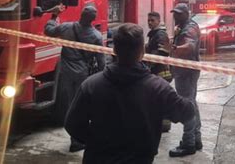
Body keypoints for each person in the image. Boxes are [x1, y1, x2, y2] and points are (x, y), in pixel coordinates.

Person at [64, 23, 195, 164]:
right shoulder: (159, 88)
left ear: (114, 50)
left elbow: (72, 124)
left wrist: (97, 142)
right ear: (142, 51)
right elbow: (187, 112)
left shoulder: (91, 85)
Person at [44, 4, 105, 152]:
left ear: (81, 15)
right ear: (93, 19)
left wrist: (53, 16)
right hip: (83, 74)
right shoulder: (96, 36)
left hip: (65, 73)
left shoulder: (66, 27)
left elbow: (48, 31)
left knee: (70, 106)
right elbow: (101, 61)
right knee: (81, 106)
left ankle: (75, 138)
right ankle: (78, 140)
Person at [169, 3, 202, 157]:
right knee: (192, 104)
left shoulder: (190, 28)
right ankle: (196, 139)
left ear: (186, 14)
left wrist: (173, 49)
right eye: (174, 13)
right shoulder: (183, 26)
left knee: (187, 105)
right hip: (184, 71)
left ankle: (189, 143)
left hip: (186, 72)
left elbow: (190, 46)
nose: (175, 16)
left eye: (178, 14)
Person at [146, 11, 173, 132]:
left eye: (152, 20)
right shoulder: (154, 34)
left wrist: (148, 64)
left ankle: (165, 125)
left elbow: (161, 53)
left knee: (162, 98)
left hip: (161, 72)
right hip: (156, 72)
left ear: (158, 21)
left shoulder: (160, 34)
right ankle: (160, 123)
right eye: (148, 20)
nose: (150, 22)